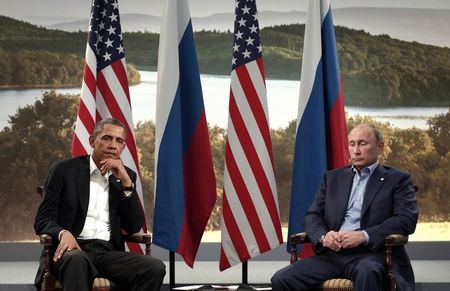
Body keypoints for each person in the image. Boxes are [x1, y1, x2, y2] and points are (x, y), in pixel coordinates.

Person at [271, 123, 418, 291]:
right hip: (332, 255)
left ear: (380, 147)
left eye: (363, 143)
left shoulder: (398, 179)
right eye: (352, 144)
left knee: (368, 272)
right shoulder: (333, 178)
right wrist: (324, 236)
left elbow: (406, 220)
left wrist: (363, 236)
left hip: (371, 255)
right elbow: (313, 215)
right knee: (282, 279)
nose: (356, 150)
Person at [34, 118, 166, 291]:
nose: (113, 145)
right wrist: (63, 233)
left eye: (119, 141)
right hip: (72, 251)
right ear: (92, 141)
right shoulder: (63, 171)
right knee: (77, 259)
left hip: (107, 253)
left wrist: (126, 183)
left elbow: (133, 225)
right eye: (106, 138)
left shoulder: (126, 176)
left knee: (154, 267)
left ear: (123, 147)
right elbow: (42, 220)